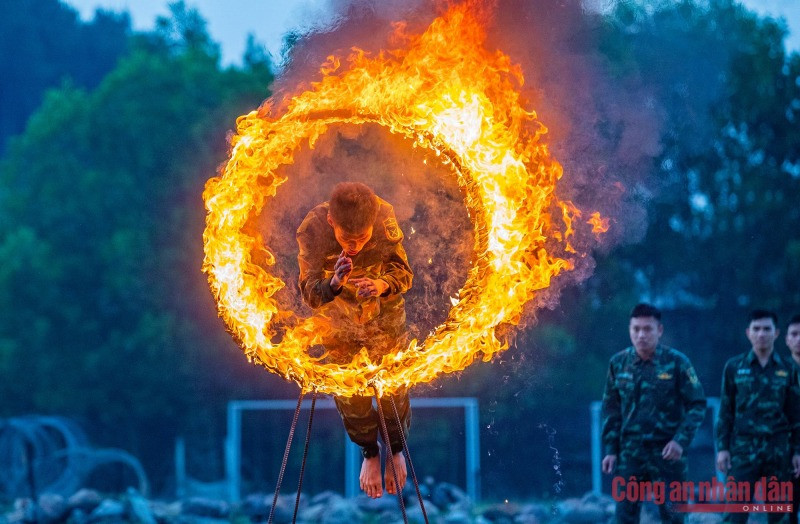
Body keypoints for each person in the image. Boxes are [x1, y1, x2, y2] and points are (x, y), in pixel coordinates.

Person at [296, 181, 413, 499]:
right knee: (351, 393)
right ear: (332, 222)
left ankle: (396, 449)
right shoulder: (314, 228)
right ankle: (370, 454)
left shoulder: (383, 215)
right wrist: (333, 281)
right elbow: (310, 294)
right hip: (339, 318)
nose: (356, 246)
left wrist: (380, 284)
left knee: (392, 386)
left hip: (383, 312)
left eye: (362, 239)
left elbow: (404, 273)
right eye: (348, 240)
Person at [601, 303, 707, 523]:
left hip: (668, 453)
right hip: (630, 454)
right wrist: (611, 450)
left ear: (659, 330)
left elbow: (697, 404)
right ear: (629, 330)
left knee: (674, 516)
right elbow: (612, 410)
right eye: (636, 329)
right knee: (624, 518)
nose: (641, 335)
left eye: (647, 329)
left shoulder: (677, 362)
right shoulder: (618, 364)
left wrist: (680, 441)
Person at [715, 310, 800, 523]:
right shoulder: (734, 367)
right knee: (735, 514)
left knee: (780, 516)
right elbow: (726, 410)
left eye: (766, 329)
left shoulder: (789, 369)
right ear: (748, 333)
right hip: (743, 452)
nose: (761, 334)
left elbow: (795, 414)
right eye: (756, 329)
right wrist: (723, 448)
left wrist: (798, 450)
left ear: (777, 333)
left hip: (778, 453)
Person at [784, 314, 800, 524]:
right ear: (786, 339)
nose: (799, 339)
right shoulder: (777, 372)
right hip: (787, 455)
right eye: (794, 334)